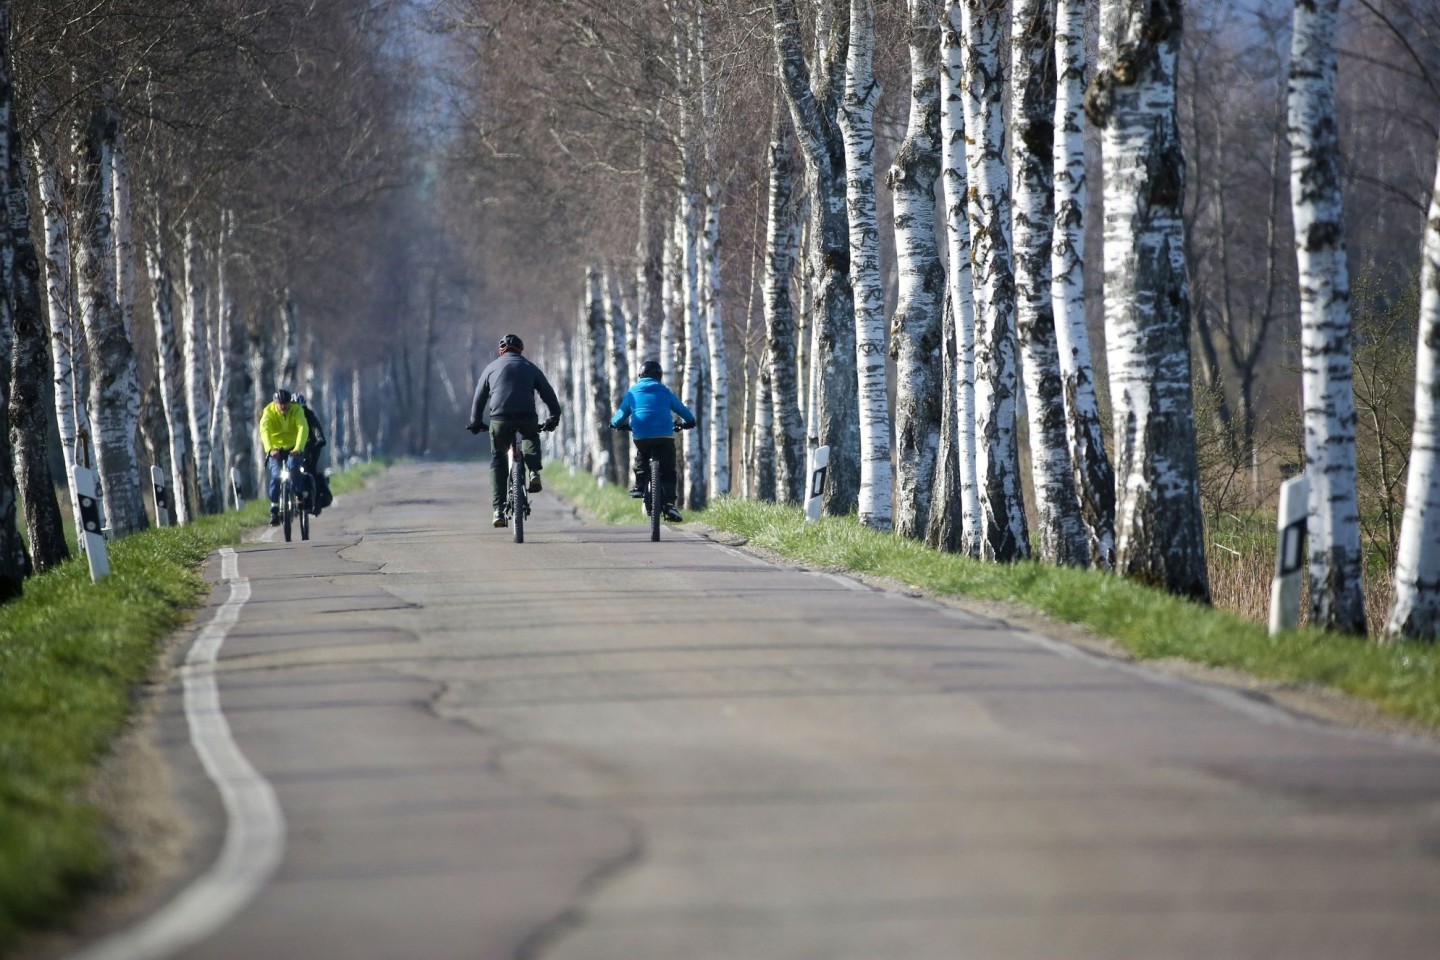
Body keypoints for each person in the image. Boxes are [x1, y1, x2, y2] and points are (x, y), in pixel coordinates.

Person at [467, 333, 562, 527]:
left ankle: (498, 510)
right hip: (526, 416)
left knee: (498, 459)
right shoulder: (530, 367)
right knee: (530, 436)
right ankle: (534, 471)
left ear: (501, 351)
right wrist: (554, 417)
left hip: (499, 419)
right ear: (521, 349)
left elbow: (479, 398)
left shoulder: (490, 368)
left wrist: (475, 422)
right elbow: (548, 394)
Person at [610, 358, 696, 523]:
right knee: (669, 469)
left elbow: (620, 415)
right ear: (659, 376)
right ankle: (670, 504)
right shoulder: (665, 391)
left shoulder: (633, 391)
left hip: (641, 433)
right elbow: (681, 409)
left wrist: (615, 424)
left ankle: (640, 485)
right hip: (664, 433)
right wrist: (690, 421)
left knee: (642, 454)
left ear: (640, 375)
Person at [259, 388, 311, 525]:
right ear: (275, 403)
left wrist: (298, 448)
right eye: (280, 404)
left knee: (294, 468)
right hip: (275, 450)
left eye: (286, 404)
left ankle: (299, 494)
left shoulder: (297, 410)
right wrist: (270, 449)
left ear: (290, 403)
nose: (283, 407)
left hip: (293, 448)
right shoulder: (268, 412)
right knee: (276, 475)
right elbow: (265, 431)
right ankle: (274, 506)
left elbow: (302, 428)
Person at [294, 394, 328, 515]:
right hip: (293, 450)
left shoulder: (309, 415)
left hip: (310, 449)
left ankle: (316, 500)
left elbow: (316, 429)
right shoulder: (288, 418)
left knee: (311, 470)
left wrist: (319, 439)